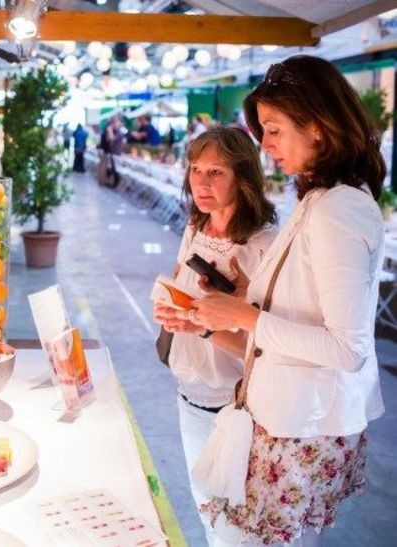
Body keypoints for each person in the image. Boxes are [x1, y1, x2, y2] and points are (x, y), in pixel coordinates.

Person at [188, 55, 386, 546]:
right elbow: (304, 302)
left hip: (300, 423)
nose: (266, 144)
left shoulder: (339, 208)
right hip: (286, 415)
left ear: (317, 126)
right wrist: (241, 300)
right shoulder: (320, 198)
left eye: (274, 129)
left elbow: (348, 348)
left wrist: (245, 315)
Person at [153, 127, 278, 545]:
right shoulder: (196, 226)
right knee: (206, 510)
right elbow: (179, 282)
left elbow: (264, 348)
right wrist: (170, 305)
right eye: (195, 170)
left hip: (236, 406)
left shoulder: (263, 245)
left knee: (237, 524)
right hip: (189, 394)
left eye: (216, 172)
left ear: (243, 178)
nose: (201, 183)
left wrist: (204, 327)